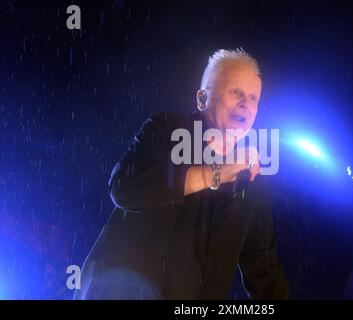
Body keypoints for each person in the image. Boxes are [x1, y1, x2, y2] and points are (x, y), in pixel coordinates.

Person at [74, 48, 289, 299]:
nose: (246, 104)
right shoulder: (166, 129)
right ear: (202, 99)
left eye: (254, 98)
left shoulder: (253, 181)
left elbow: (264, 272)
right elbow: (124, 188)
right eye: (236, 92)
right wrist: (215, 173)